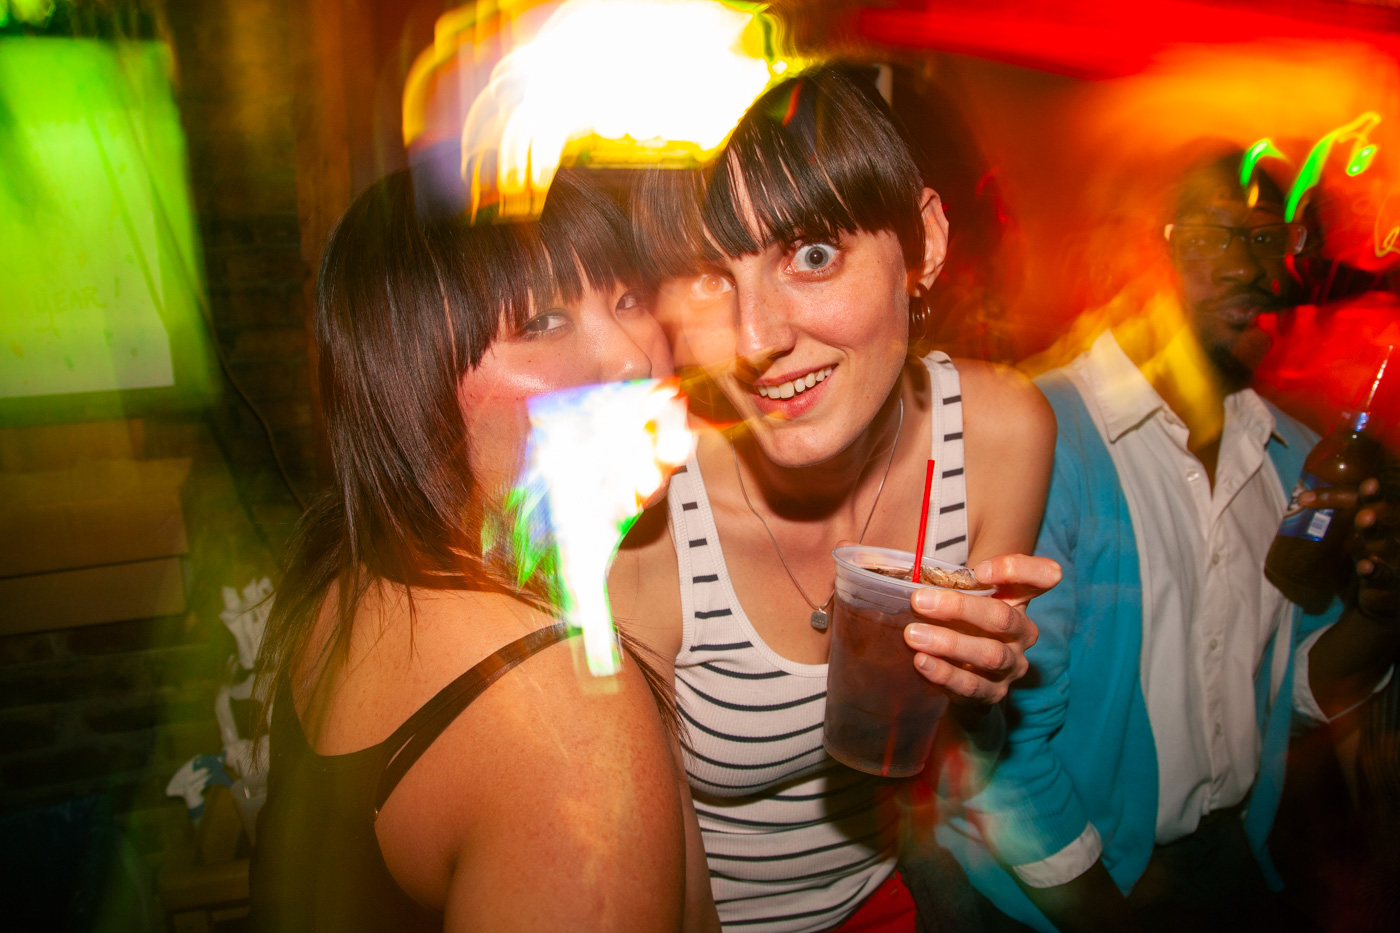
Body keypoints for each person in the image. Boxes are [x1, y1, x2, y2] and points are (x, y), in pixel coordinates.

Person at [610, 66, 1060, 932]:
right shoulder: (650, 520)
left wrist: (980, 692)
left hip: (894, 892)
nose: (756, 338)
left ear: (924, 245)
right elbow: (656, 874)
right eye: (711, 276)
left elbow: (957, 768)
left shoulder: (1000, 436)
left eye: (812, 254)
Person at [946, 148, 1400, 933]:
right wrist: (1107, 913)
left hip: (1217, 864)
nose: (1246, 266)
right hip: (1058, 889)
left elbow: (1289, 694)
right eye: (1208, 236)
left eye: (1266, 239)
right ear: (1135, 255)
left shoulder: (1289, 456)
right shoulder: (1044, 438)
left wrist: (1380, 608)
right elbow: (995, 753)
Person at [247, 168, 713, 931]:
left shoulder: (344, 573)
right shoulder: (561, 719)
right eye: (543, 322)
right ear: (411, 379)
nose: (634, 358)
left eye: (629, 298)